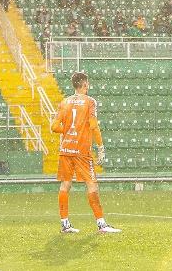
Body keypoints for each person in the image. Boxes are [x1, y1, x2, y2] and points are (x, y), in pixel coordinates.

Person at [51, 72, 120, 234]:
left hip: (66, 149)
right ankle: (101, 224)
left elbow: (54, 127)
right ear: (84, 84)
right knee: (92, 184)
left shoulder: (64, 102)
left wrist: (68, 130)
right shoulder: (90, 102)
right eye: (87, 83)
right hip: (81, 150)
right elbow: (94, 126)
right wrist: (101, 147)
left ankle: (65, 223)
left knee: (65, 184)